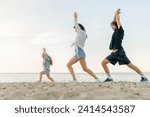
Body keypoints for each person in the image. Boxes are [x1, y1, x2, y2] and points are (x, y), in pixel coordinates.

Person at [101, 9, 149, 82]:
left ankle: (144, 77)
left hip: (120, 53)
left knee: (130, 65)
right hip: (114, 54)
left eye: (112, 25)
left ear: (116, 25)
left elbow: (117, 21)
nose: (111, 27)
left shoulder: (120, 31)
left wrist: (117, 14)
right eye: (111, 26)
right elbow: (114, 20)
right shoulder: (115, 31)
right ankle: (109, 78)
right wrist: (115, 13)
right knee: (103, 62)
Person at [67, 12, 100, 82]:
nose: (75, 30)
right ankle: (97, 79)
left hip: (79, 52)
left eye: (75, 29)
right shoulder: (84, 34)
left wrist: (75, 18)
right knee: (85, 68)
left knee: (68, 65)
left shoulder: (80, 32)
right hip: (81, 52)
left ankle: (74, 79)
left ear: (79, 28)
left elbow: (76, 25)